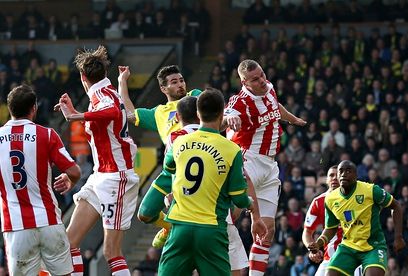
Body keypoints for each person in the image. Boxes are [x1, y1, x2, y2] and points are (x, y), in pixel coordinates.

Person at [118, 65, 241, 248]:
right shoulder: (158, 113)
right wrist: (122, 82)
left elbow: (216, 118)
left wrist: (228, 118)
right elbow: (128, 114)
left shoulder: (196, 96)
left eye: (181, 80)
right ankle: (168, 226)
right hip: (173, 170)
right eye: (174, 82)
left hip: (203, 165)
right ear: (163, 88)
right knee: (145, 213)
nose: (180, 85)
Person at [158, 88, 265, 275]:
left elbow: (169, 168)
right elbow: (239, 197)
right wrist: (251, 206)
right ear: (222, 113)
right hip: (211, 230)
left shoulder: (179, 141)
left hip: (180, 227)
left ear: (198, 113)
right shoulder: (231, 150)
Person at [56, 45, 139, 276]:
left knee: (111, 251)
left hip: (117, 178)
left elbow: (112, 110)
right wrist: (123, 81)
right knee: (68, 242)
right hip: (100, 176)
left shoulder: (104, 96)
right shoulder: (104, 92)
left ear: (83, 77)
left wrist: (76, 115)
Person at [224, 59, 306, 275]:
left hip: (270, 166)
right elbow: (227, 113)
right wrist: (229, 117)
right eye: (255, 79)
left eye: (262, 74)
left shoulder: (268, 87)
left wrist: (291, 119)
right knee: (228, 220)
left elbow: (275, 108)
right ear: (244, 82)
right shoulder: (240, 101)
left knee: (267, 230)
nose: (261, 80)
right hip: (247, 161)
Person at [0, 84, 81, 275]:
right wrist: (71, 181)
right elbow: (75, 171)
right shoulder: (47, 135)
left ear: (9, 107)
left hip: (16, 227)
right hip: (49, 222)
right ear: (34, 108)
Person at [307, 160, 405, 276]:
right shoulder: (331, 199)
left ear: (356, 176)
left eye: (348, 171)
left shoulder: (370, 190)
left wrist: (398, 237)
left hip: (373, 246)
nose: (344, 174)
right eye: (341, 171)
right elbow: (331, 228)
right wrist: (318, 244)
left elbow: (396, 206)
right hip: (348, 247)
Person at [302, 165, 363, 276]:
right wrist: (312, 249)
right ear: (326, 180)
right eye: (331, 175)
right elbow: (307, 231)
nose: (334, 178)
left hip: (354, 257)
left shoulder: (355, 199)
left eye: (337, 175)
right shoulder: (318, 202)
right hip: (330, 258)